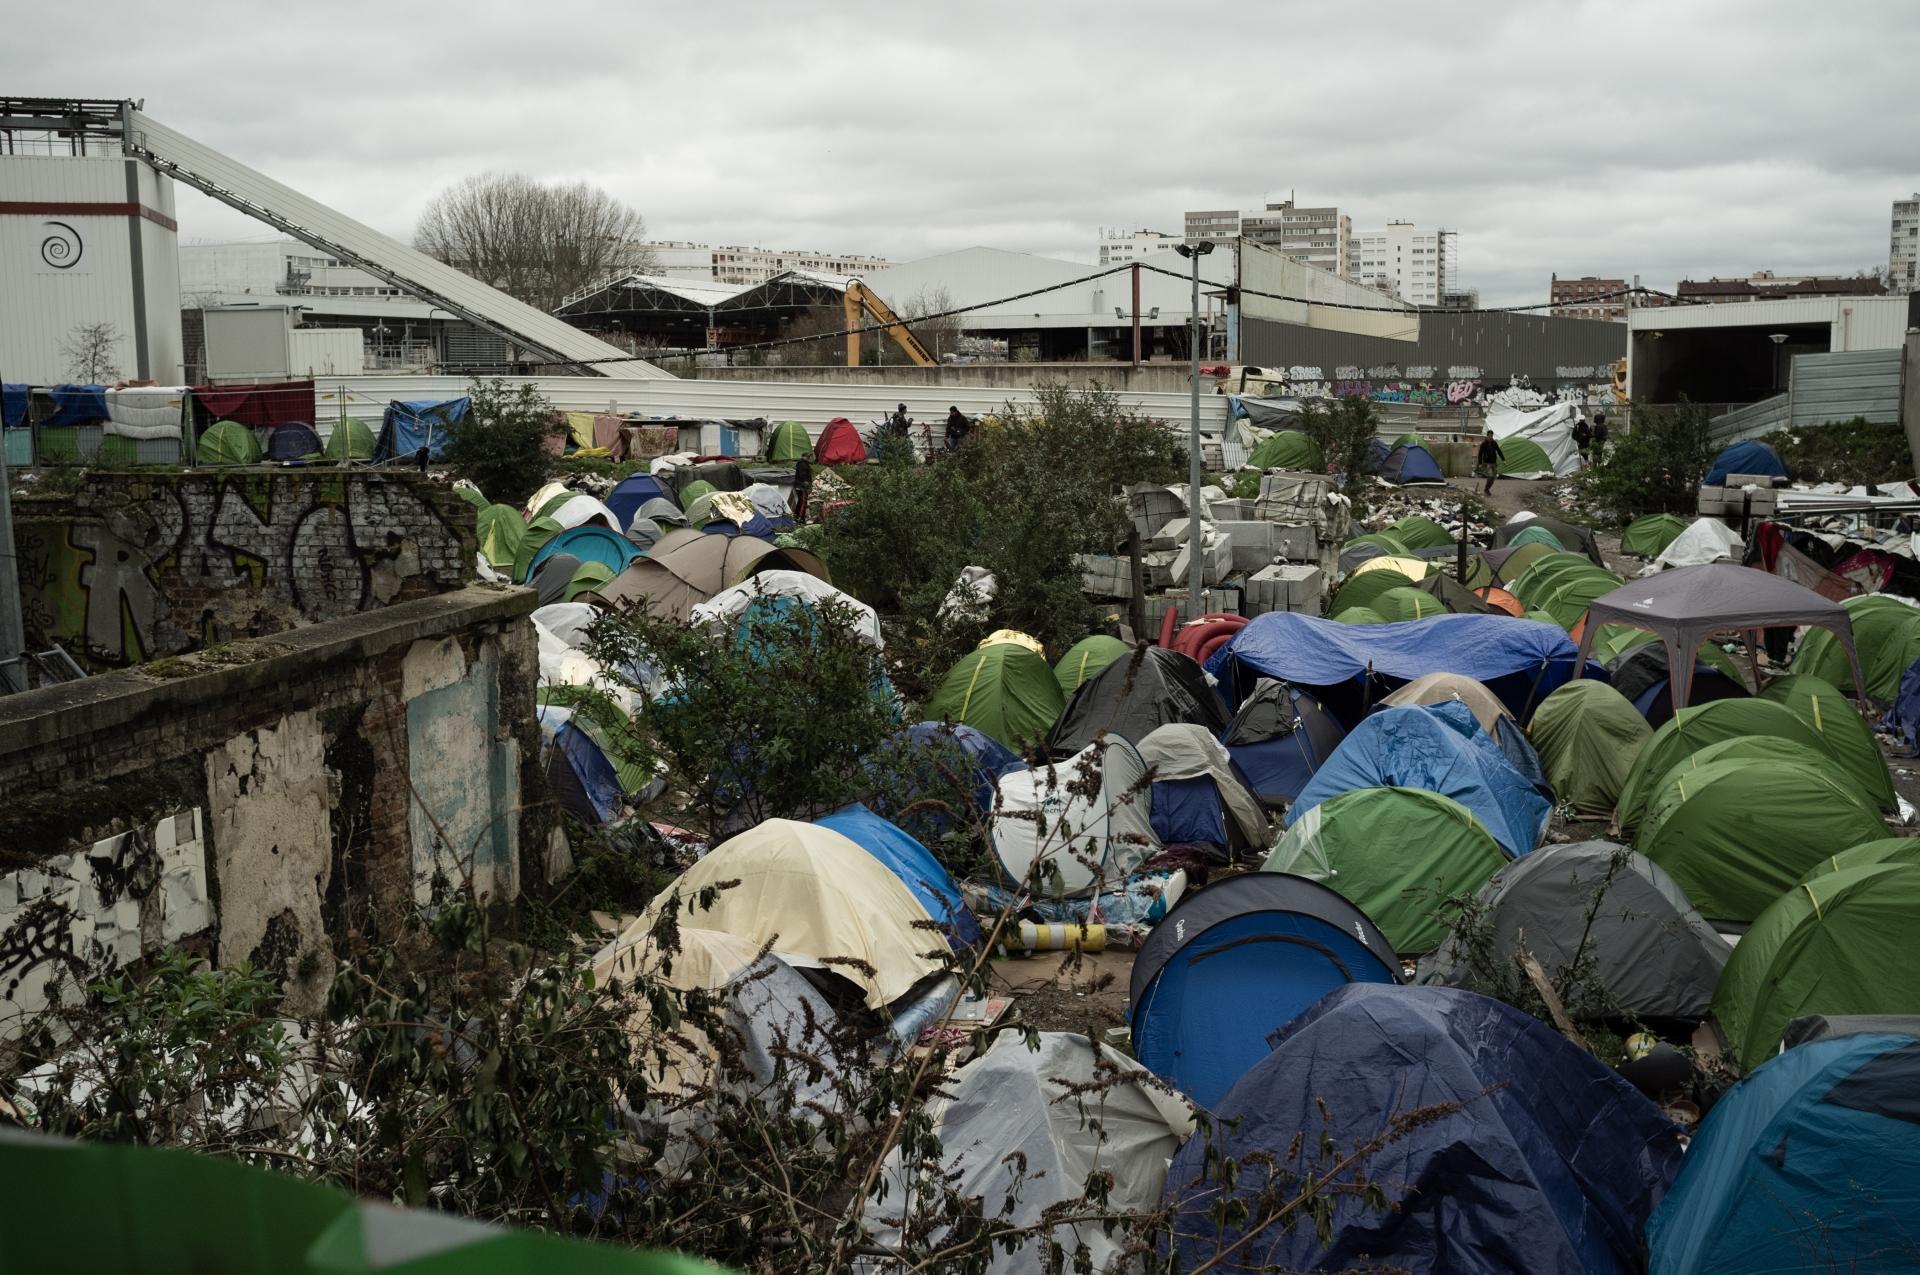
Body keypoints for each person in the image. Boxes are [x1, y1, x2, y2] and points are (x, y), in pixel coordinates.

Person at [1477, 429, 1505, 495]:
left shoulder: (1494, 443)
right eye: (1489, 436)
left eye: (1491, 436)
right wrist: (1480, 463)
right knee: (1490, 476)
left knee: (1493, 478)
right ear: (1487, 436)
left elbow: (1499, 451)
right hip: (1487, 463)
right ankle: (1486, 489)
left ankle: (1487, 489)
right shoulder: (1483, 444)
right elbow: (1480, 454)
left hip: (1493, 463)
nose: (1490, 438)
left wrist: (1503, 459)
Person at [791, 452, 813, 524]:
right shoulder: (802, 464)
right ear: (803, 456)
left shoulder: (803, 463)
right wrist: (806, 483)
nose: (808, 458)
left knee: (800, 502)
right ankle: (801, 519)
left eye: (808, 457)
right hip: (801, 486)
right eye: (807, 457)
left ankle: (797, 517)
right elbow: (803, 475)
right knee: (803, 502)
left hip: (799, 485)